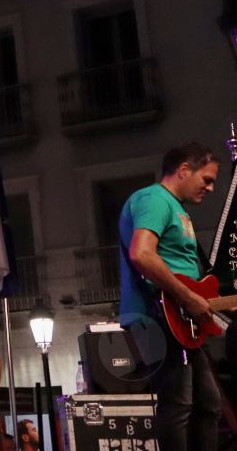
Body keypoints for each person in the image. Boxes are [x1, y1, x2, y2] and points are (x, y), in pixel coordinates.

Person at [118, 142, 222, 451]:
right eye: (207, 179)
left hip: (175, 317)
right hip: (155, 316)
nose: (212, 188)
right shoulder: (154, 200)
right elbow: (141, 254)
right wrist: (188, 297)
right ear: (184, 171)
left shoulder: (174, 207)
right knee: (178, 404)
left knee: (207, 403)